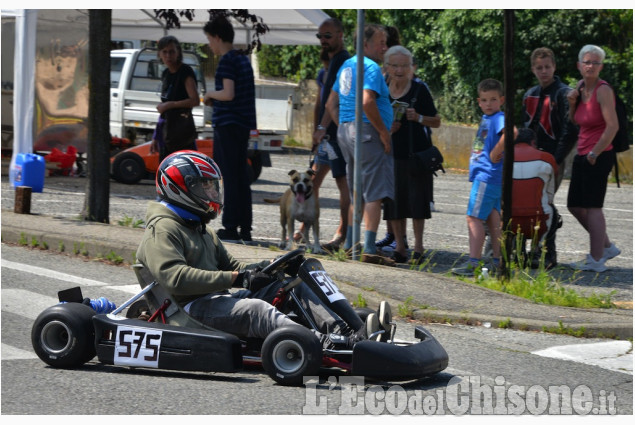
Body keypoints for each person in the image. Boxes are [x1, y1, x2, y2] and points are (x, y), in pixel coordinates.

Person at [136, 150, 390, 350]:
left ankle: (346, 332)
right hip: (188, 310)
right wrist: (238, 279)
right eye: (205, 187)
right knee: (257, 309)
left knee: (293, 285)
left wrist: (264, 268)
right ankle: (323, 344)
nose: (212, 192)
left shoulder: (199, 227)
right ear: (181, 187)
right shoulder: (163, 229)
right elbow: (176, 278)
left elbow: (234, 268)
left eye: (213, 186)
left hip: (214, 299)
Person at [326, 24, 395, 265]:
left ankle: (350, 244)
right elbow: (367, 101)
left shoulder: (347, 65)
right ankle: (369, 247)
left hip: (347, 130)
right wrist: (384, 133)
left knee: (357, 190)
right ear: (365, 45)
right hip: (367, 133)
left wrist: (346, 125)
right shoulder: (371, 67)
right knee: (374, 191)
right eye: (380, 42)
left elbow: (330, 104)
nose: (385, 47)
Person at [383, 46, 441, 264]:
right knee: (393, 204)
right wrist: (388, 128)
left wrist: (417, 117)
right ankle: (399, 247)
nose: (399, 70)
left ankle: (418, 247)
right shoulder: (381, 90)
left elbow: (436, 121)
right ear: (387, 67)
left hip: (417, 155)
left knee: (418, 203)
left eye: (404, 66)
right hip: (391, 154)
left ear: (411, 68)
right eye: (395, 65)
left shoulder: (419, 90)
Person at [521, 47, 579, 267]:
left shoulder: (564, 93)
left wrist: (556, 158)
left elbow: (569, 130)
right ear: (533, 69)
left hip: (553, 155)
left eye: (547, 67)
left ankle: (547, 251)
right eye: (539, 67)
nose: (543, 71)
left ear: (554, 67)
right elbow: (524, 128)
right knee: (528, 201)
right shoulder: (530, 95)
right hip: (530, 157)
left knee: (546, 202)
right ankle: (528, 249)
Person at [565, 45, 620, 273]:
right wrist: (571, 103)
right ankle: (605, 246)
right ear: (579, 65)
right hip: (583, 153)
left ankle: (596, 259)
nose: (591, 66)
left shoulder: (603, 90)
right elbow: (576, 121)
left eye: (595, 63)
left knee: (593, 207)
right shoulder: (579, 87)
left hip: (599, 154)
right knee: (575, 205)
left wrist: (595, 152)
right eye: (587, 62)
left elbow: (612, 126)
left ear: (601, 67)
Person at [203, 16, 256, 242]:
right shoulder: (244, 59)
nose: (209, 45)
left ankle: (230, 226)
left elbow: (228, 93)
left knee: (228, 177)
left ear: (217, 37)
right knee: (241, 177)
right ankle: (245, 226)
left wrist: (209, 95)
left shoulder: (226, 61)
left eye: (209, 40)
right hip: (243, 124)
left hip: (228, 124)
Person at [451, 79, 507, 277]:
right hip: (490, 177)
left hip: (487, 176)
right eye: (484, 100)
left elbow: (511, 133)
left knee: (473, 218)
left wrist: (495, 153)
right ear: (479, 101)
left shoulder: (498, 118)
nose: (489, 103)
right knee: (493, 220)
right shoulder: (487, 118)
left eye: (493, 99)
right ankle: (497, 262)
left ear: (501, 100)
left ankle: (473, 263)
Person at [309, 18, 352, 252]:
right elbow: (325, 101)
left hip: (337, 133)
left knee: (343, 184)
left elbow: (333, 102)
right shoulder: (335, 61)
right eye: (320, 36)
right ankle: (306, 227)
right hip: (329, 134)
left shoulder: (343, 60)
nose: (323, 41)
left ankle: (341, 235)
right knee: (313, 178)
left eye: (327, 36)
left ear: (340, 35)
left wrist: (323, 128)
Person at [492, 128, 557, 265]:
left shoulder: (501, 157)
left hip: (508, 220)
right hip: (540, 221)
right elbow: (550, 195)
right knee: (552, 211)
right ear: (533, 142)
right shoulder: (547, 158)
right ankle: (541, 252)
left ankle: (496, 250)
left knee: (493, 208)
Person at [151, 36, 200, 162]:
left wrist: (170, 105)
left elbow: (194, 100)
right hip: (166, 133)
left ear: (178, 52)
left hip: (182, 133)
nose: (168, 56)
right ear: (159, 54)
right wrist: (155, 137)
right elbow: (164, 108)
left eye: (172, 51)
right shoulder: (166, 74)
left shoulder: (185, 71)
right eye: (164, 52)